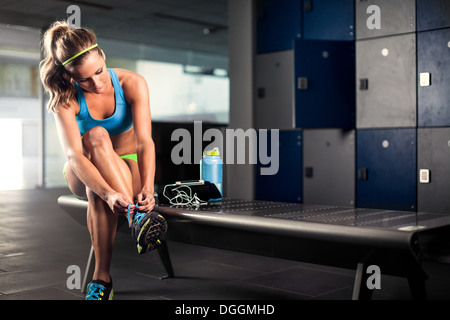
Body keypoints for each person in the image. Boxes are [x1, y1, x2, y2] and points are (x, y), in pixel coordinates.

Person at [40, 20, 167, 300]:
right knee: (95, 139)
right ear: (69, 75)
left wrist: (148, 188)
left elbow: (145, 142)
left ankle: (101, 281)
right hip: (81, 168)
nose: (95, 83)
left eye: (98, 72)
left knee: (95, 190)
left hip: (128, 165)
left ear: (104, 57)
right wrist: (109, 193)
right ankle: (138, 218)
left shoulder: (132, 83)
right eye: (83, 79)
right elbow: (74, 155)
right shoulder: (65, 99)